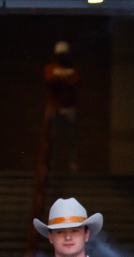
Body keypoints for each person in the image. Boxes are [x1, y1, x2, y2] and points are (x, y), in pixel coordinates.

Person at [45, 41, 80, 172]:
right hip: (55, 108)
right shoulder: (51, 67)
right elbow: (49, 79)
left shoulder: (73, 68)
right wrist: (65, 76)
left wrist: (60, 77)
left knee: (70, 137)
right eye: (60, 54)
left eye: (64, 54)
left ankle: (72, 163)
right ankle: (52, 163)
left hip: (70, 108)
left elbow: (76, 82)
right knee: (53, 137)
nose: (61, 57)